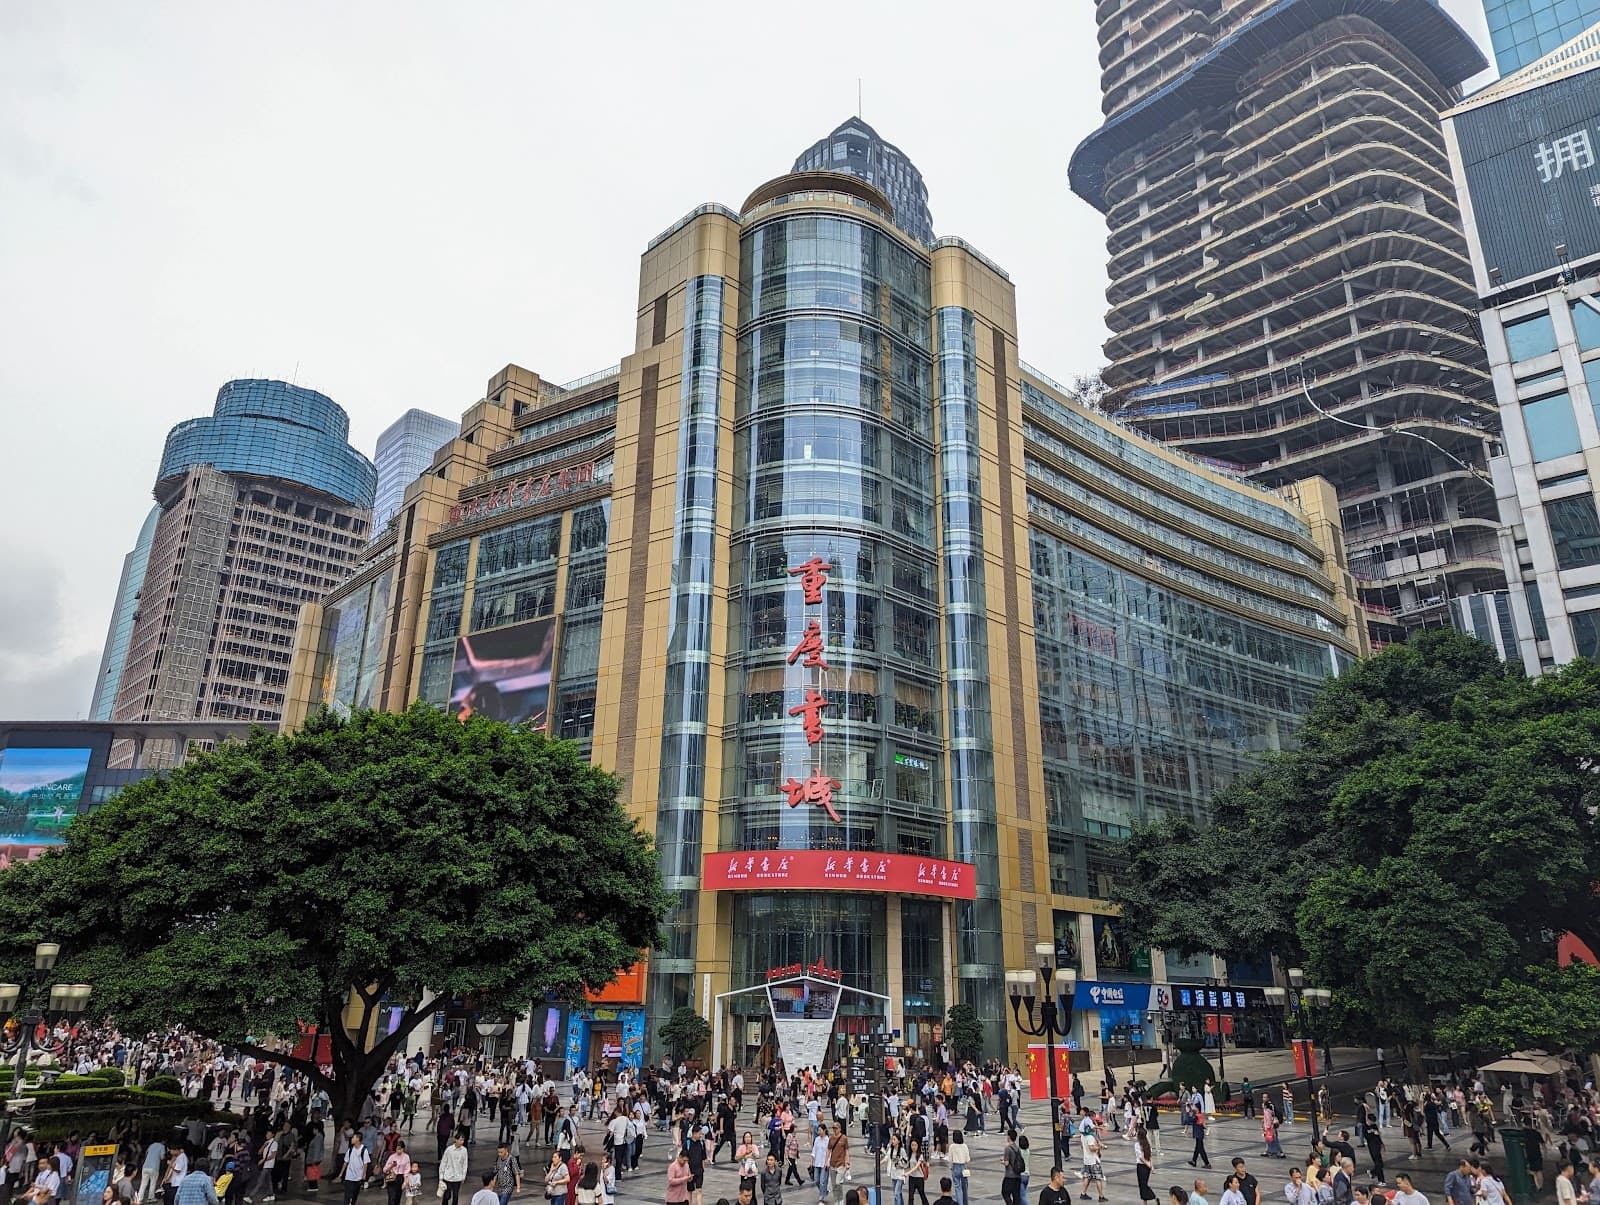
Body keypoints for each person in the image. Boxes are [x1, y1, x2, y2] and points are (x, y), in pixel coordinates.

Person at [340, 1137, 371, 1205]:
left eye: (353, 1137)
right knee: (347, 1196)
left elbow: (365, 1163)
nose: (352, 1139)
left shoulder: (364, 1150)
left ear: (358, 1139)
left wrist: (364, 1174)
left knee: (354, 1195)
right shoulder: (350, 1150)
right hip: (349, 1176)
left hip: (358, 1176)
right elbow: (345, 1162)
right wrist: (341, 1173)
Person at [1002, 1131, 1025, 1205]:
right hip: (1018, 1175)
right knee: (1016, 1196)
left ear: (1009, 1137)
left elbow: (1006, 1163)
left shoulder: (1007, 1148)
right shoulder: (1017, 1148)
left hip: (1009, 1175)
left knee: (1005, 1193)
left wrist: (1002, 1161)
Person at [947, 1134, 970, 1205]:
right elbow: (967, 1159)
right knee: (965, 1187)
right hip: (963, 1166)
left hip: (955, 1166)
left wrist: (951, 1167)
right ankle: (965, 1202)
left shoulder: (952, 1146)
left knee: (957, 1187)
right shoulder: (965, 1146)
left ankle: (960, 1203)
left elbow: (950, 1159)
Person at [1136, 1132, 1158, 1205]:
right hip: (1147, 1168)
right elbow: (1150, 1157)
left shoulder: (1137, 1145)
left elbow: (1141, 1158)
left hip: (1141, 1166)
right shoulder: (1147, 1144)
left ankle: (1153, 1197)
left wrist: (1150, 1166)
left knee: (1143, 1185)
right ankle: (1145, 1202)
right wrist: (1151, 1167)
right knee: (1144, 1184)